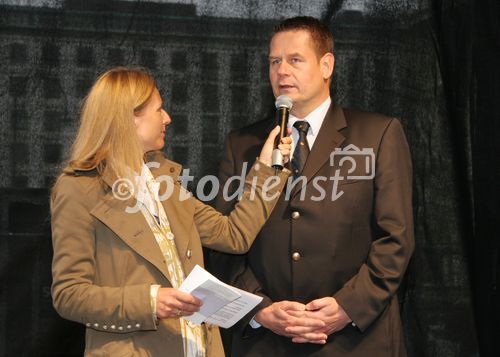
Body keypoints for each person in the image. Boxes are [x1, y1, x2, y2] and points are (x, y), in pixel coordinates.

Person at [50, 66, 292, 357]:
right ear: (129, 117)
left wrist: (266, 169)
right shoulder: (78, 188)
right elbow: (69, 295)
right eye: (159, 109)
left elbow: (234, 235)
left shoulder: (165, 182)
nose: (167, 118)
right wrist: (150, 301)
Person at [209, 16, 414, 356]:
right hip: (268, 343)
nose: (281, 71)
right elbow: (222, 241)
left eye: (295, 60)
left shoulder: (378, 134)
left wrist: (347, 306)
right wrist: (258, 308)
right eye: (274, 61)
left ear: (326, 65)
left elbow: (396, 238)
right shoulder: (243, 143)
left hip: (357, 341)